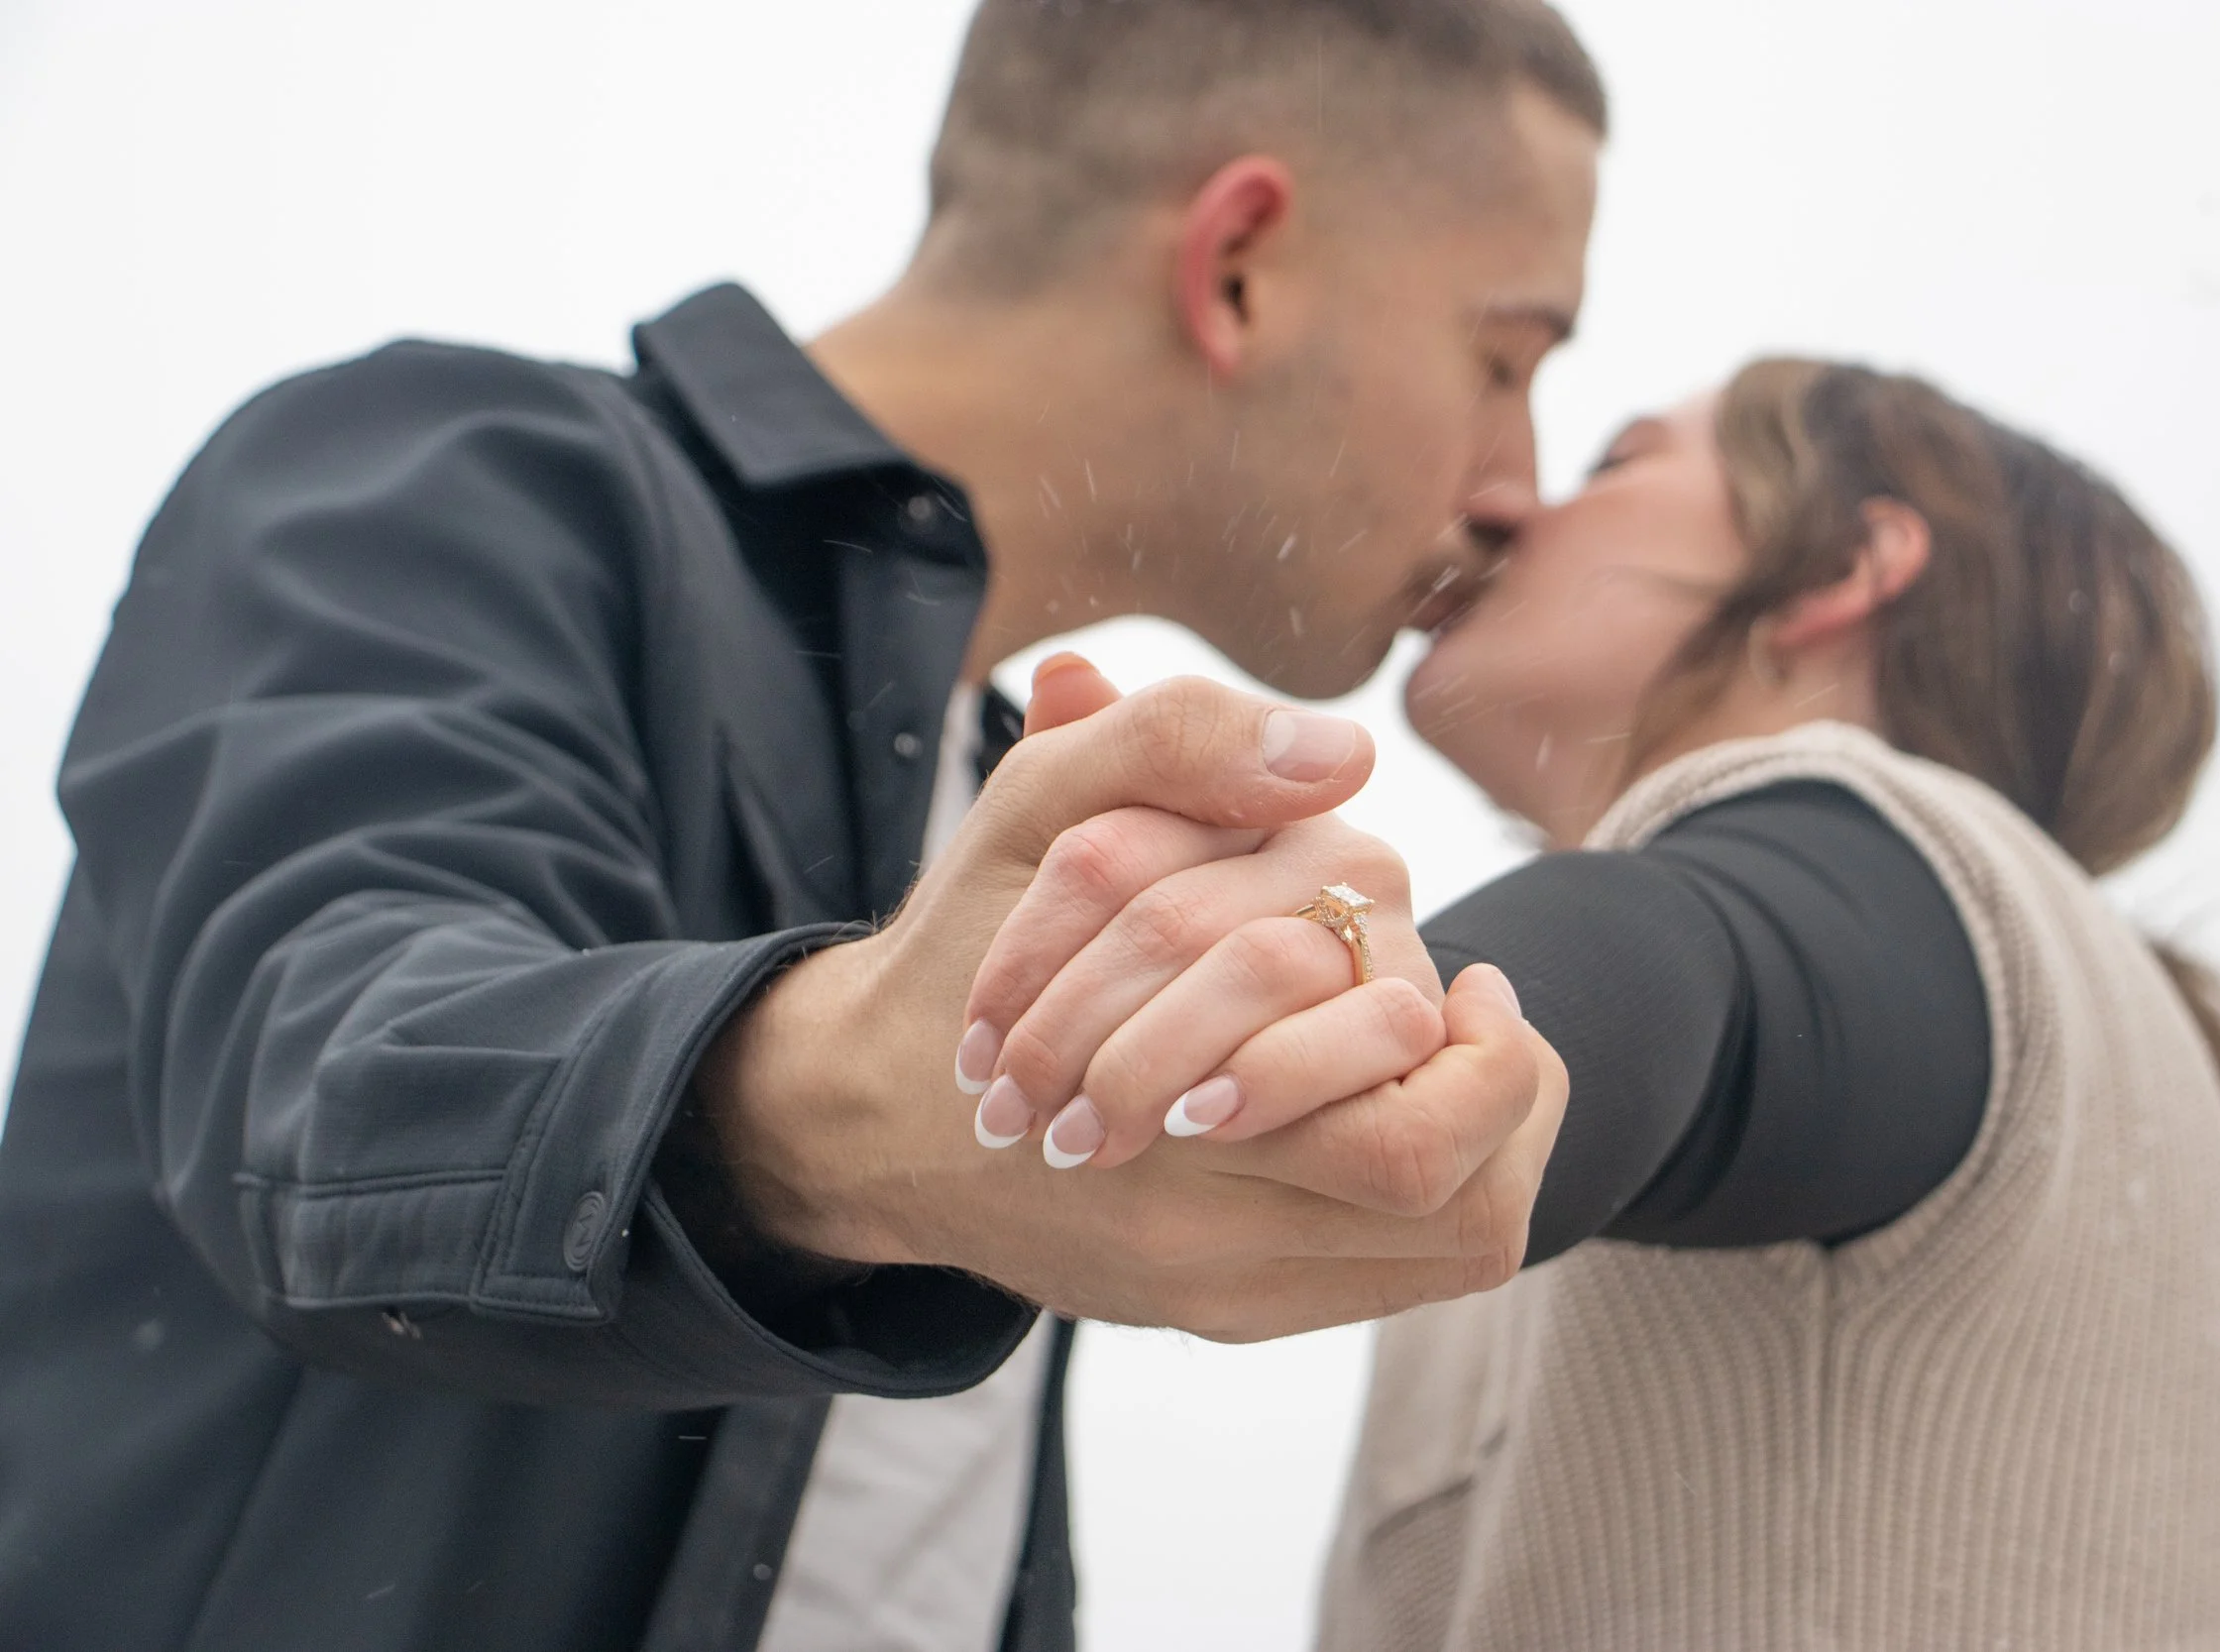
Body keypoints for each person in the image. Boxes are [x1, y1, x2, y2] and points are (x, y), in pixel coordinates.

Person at [0, 5, 1607, 1649]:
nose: (1520, 485)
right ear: (1241, 262)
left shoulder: (1030, 835)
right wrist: (858, 1111)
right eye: (1507, 358)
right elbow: (329, 1078)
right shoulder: (460, 475)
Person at [965, 360, 2220, 1646]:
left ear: (1843, 572)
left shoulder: (1899, 880)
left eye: (1619, 461)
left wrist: (1357, 977)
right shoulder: (2057, 1030)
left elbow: (1706, 970)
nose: (1512, 505)